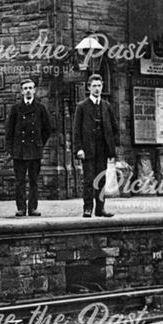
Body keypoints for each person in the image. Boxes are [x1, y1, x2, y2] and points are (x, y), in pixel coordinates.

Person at [71, 74, 118, 218]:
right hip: (88, 149)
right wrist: (78, 148)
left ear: (102, 86)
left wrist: (111, 148)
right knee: (88, 179)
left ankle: (100, 208)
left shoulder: (106, 106)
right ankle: (87, 208)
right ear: (89, 87)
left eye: (99, 86)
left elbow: (114, 128)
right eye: (94, 86)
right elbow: (76, 130)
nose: (97, 89)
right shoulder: (82, 107)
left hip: (102, 149)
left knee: (101, 179)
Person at [5, 78, 52, 217]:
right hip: (19, 150)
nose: (28, 91)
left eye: (30, 88)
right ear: (21, 91)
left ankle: (33, 208)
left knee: (33, 180)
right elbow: (9, 130)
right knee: (19, 181)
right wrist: (11, 149)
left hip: (34, 149)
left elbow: (47, 129)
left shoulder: (40, 108)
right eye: (25, 88)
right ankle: (21, 208)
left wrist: (39, 143)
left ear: (34, 90)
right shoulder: (16, 108)